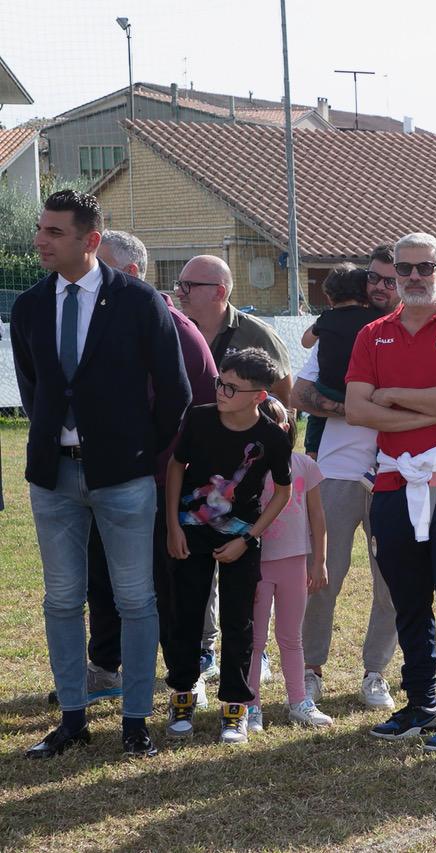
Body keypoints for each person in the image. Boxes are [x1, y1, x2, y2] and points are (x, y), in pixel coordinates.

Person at [13, 190, 191, 759]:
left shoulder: (139, 302)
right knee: (62, 601)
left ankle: (135, 720)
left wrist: (136, 452)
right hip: (53, 479)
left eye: (54, 232)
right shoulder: (30, 305)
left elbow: (176, 392)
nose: (40, 240)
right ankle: (72, 718)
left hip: (124, 478)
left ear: (90, 240)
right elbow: (34, 388)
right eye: (40, 229)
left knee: (136, 601)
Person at [46, 230, 218, 710]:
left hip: (161, 483)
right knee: (102, 578)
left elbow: (191, 410)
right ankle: (105, 666)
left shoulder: (174, 328)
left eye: (97, 263)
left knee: (168, 585)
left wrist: (152, 464)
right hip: (101, 477)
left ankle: (186, 674)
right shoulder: (85, 321)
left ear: (131, 273)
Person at [345, 232, 436, 752]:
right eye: (400, 271)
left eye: (422, 268)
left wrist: (393, 395)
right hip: (391, 479)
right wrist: (427, 405)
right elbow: (357, 409)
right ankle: (421, 704)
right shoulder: (372, 334)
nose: (411, 277)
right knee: (407, 600)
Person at [165, 348, 293, 744]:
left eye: (232, 388)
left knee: (240, 622)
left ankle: (235, 709)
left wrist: (247, 538)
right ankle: (182, 695)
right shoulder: (199, 418)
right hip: (189, 531)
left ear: (258, 396)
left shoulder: (272, 437)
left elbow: (282, 493)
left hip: (240, 538)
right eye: (221, 382)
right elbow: (175, 467)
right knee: (185, 615)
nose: (221, 391)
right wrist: (172, 525)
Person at [293, 245, 402, 711]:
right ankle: (311, 670)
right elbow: (299, 393)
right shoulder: (341, 333)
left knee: (393, 581)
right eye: (374, 279)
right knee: (321, 577)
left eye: (390, 280)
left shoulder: (413, 336)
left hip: (397, 472)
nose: (380, 286)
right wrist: (349, 410)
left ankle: (375, 672)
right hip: (335, 470)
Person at [246, 397, 332, 732]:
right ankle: (250, 706)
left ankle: (299, 701)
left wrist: (319, 561)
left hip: (295, 564)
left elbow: (318, 519)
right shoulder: (247, 470)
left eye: (275, 423)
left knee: (291, 637)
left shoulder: (304, 467)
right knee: (254, 639)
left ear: (287, 427)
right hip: (257, 565)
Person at [176, 254, 292, 404]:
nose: (178, 293)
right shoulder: (173, 329)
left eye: (188, 285)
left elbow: (285, 400)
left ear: (219, 292)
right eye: (179, 284)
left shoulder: (258, 334)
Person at [300, 263, 384, 456]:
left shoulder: (327, 318)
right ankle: (381, 454)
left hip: (328, 389)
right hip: (365, 392)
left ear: (329, 297)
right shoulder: (376, 319)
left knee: (317, 419)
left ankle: (312, 452)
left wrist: (320, 325)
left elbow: (305, 342)